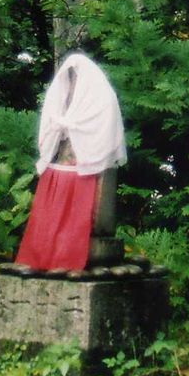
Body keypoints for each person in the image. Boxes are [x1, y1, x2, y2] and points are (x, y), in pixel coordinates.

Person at [14, 52, 126, 271]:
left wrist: (76, 133)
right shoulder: (63, 97)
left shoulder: (101, 98)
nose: (73, 83)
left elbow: (103, 132)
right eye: (70, 78)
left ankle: (66, 259)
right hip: (62, 162)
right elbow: (53, 127)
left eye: (76, 78)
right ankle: (40, 258)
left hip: (87, 166)